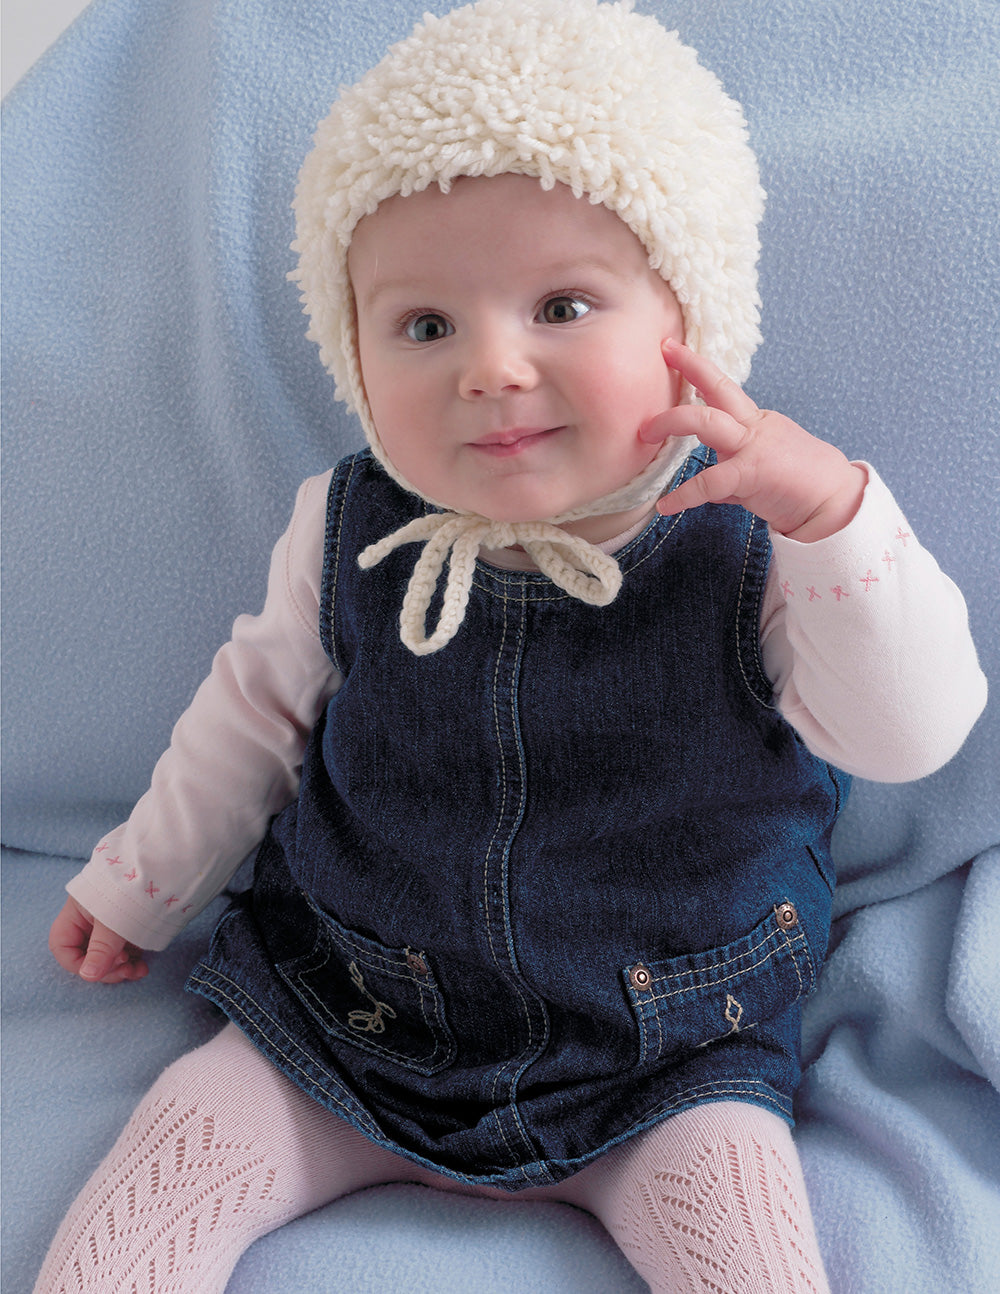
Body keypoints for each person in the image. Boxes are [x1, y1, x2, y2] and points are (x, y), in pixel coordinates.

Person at [35, 2, 987, 1291]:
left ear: (691, 319)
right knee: (152, 1200)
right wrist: (142, 882)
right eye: (425, 326)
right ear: (354, 355)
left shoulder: (756, 540)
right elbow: (250, 717)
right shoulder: (350, 528)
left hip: (667, 1056)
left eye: (563, 305)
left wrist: (833, 521)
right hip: (345, 1013)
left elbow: (907, 734)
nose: (491, 367)